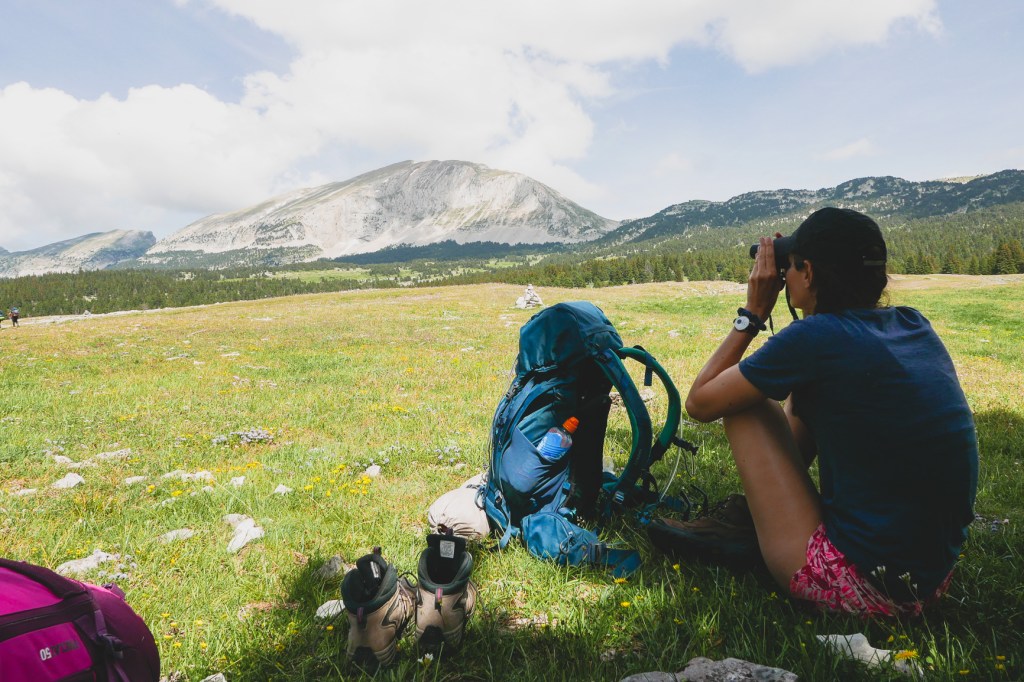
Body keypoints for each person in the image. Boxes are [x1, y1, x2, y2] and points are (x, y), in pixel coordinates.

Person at [649, 207, 978, 617]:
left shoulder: (816, 338)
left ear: (808, 273)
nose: (784, 276)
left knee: (743, 406)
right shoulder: (912, 323)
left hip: (862, 586)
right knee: (783, 391)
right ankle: (753, 521)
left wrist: (752, 316)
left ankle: (750, 529)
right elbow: (805, 420)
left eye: (791, 267)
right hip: (926, 582)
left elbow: (702, 403)